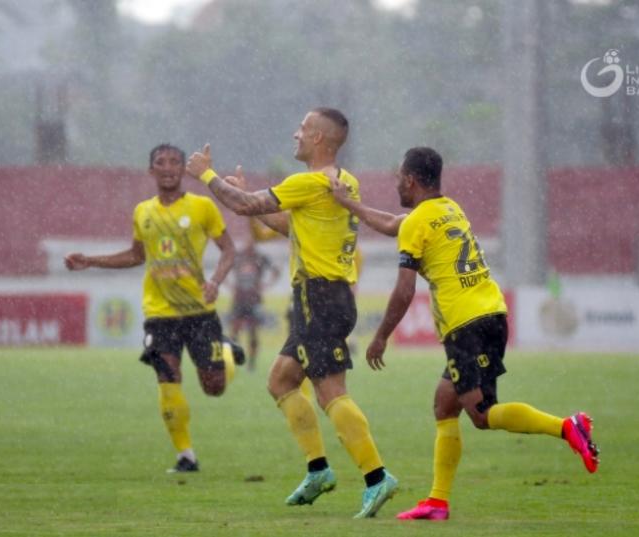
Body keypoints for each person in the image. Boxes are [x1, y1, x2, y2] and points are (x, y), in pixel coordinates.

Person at [329, 146, 599, 521]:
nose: (395, 184)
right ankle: (437, 502)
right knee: (444, 403)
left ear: (410, 179)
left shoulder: (417, 222)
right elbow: (394, 223)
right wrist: (348, 205)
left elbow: (405, 289)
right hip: (489, 312)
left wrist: (380, 336)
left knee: (483, 414)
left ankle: (569, 427)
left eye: (397, 178)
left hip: (467, 325)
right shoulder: (448, 208)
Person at [184, 107, 398, 519]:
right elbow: (289, 225)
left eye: (302, 128)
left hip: (320, 298)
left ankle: (377, 476)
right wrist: (244, 195)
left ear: (319, 138)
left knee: (330, 392)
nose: (295, 134)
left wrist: (207, 177)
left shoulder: (309, 181)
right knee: (281, 380)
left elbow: (245, 206)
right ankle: (318, 469)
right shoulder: (341, 182)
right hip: (325, 298)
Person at [64, 143, 244, 473]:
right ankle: (186, 455)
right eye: (160, 163)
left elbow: (229, 250)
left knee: (214, 387)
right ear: (151, 171)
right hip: (159, 313)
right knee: (167, 376)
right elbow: (136, 255)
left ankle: (229, 353)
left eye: (175, 162)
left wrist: (216, 281)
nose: (168, 167)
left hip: (199, 311)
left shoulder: (203, 207)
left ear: (183, 170)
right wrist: (90, 260)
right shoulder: (143, 212)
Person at [229, 238, 280, 371]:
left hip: (253, 299)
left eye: (252, 241)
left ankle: (251, 363)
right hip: (239, 299)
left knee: (253, 331)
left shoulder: (260, 257)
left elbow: (276, 271)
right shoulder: (238, 256)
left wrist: (266, 285)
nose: (249, 243)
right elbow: (223, 266)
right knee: (235, 330)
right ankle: (233, 359)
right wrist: (230, 286)